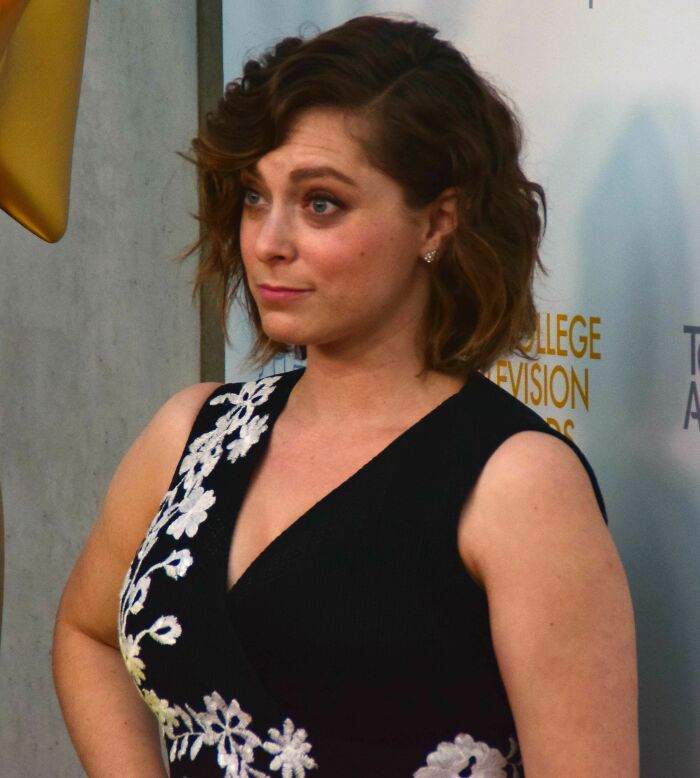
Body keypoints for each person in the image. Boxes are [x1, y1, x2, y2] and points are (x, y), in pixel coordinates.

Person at [52, 14, 638, 777]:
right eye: (255, 196)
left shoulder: (517, 484)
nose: (268, 241)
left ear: (437, 221)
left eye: (321, 202)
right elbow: (87, 635)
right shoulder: (192, 433)